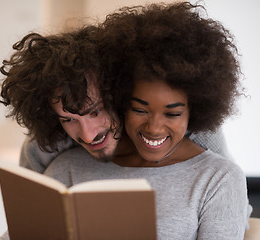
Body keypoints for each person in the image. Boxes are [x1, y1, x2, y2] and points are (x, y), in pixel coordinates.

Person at [41, 2, 250, 239]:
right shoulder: (66, 168)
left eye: (172, 114)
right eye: (140, 110)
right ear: (118, 101)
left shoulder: (218, 179)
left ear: (197, 110)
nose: (154, 128)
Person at [0, 15, 233, 175]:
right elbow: (29, 212)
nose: (88, 136)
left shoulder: (195, 131)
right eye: (68, 119)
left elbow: (234, 208)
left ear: (120, 91)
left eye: (96, 110)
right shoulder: (42, 148)